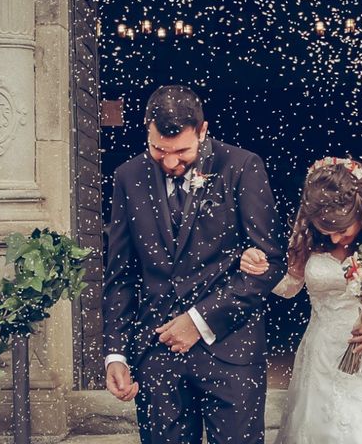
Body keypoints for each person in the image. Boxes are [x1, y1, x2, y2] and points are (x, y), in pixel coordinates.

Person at [102, 85, 285, 444]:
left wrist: (199, 321)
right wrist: (116, 353)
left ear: (203, 132)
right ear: (147, 128)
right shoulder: (128, 176)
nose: (170, 162)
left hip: (231, 353)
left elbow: (271, 263)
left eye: (182, 151)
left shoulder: (242, 167)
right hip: (157, 351)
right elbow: (120, 275)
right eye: (159, 149)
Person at [241, 157, 362, 444]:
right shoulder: (307, 232)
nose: (336, 239)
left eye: (343, 230)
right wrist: (260, 268)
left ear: (361, 208)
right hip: (321, 358)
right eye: (327, 232)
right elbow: (290, 286)